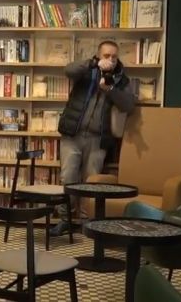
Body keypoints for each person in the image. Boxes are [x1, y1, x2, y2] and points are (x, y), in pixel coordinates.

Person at [50, 40, 137, 236]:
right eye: (106, 56)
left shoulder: (122, 80)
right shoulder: (87, 70)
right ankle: (65, 219)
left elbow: (128, 106)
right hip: (72, 134)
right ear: (98, 55)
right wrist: (93, 64)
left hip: (99, 139)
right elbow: (68, 70)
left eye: (114, 57)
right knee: (68, 177)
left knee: (92, 182)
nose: (111, 60)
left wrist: (110, 90)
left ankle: (87, 221)